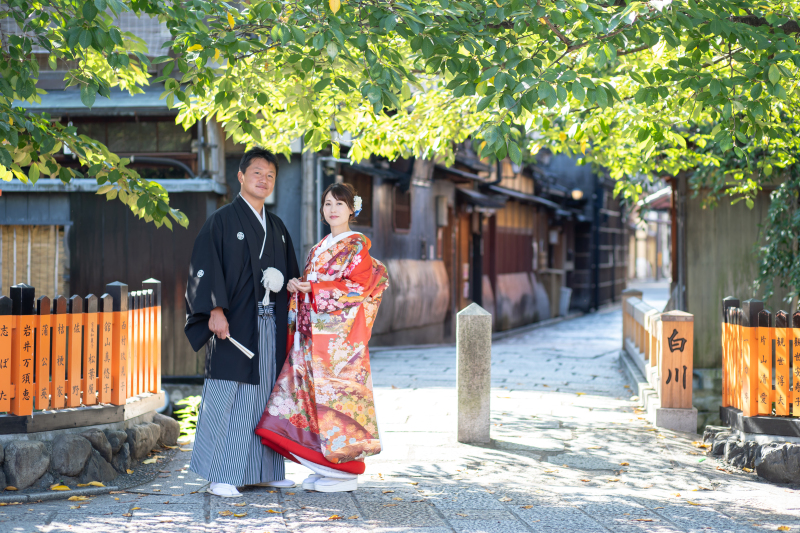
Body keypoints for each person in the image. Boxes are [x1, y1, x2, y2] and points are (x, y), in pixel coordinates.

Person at [255, 183, 389, 493]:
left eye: (339, 204)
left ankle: (345, 469)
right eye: (328, 204)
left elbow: (357, 290)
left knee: (337, 405)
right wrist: (298, 289)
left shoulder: (356, 246)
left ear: (351, 210)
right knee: (307, 400)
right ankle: (324, 465)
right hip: (310, 336)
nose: (332, 209)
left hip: (339, 346)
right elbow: (312, 287)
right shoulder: (318, 248)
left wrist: (314, 290)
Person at [184, 148, 300, 498]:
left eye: (269, 175)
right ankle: (219, 473)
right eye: (257, 173)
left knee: (264, 396)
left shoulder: (276, 227)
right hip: (234, 327)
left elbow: (290, 274)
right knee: (227, 396)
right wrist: (213, 311)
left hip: (270, 325)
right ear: (241, 176)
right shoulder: (222, 220)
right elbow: (203, 267)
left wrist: (293, 285)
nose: (263, 180)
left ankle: (263, 470)